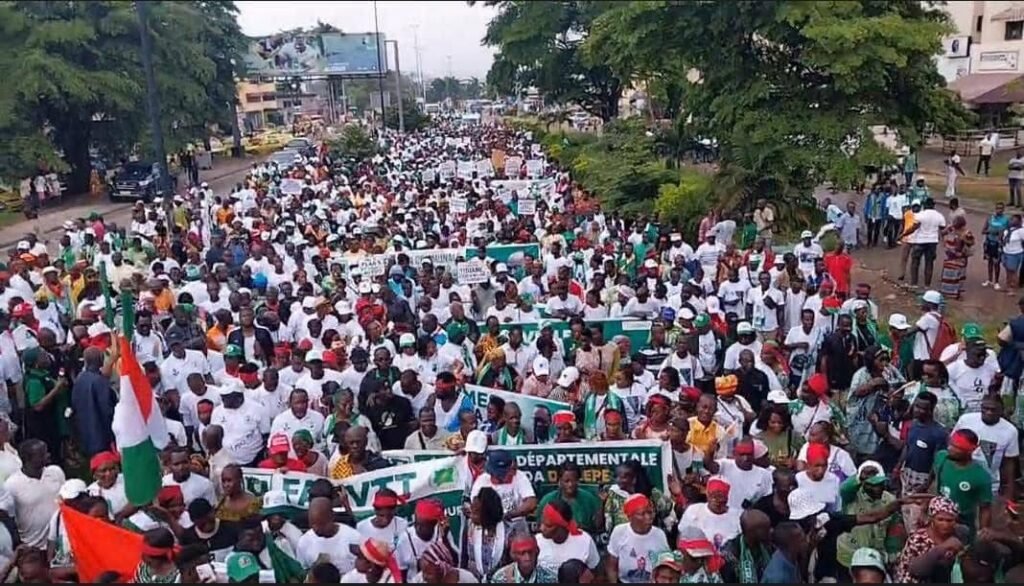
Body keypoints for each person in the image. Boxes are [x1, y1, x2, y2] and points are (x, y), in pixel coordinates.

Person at [893, 496, 963, 583]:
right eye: (940, 519)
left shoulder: (959, 534)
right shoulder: (918, 538)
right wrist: (942, 548)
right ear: (932, 519)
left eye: (949, 520)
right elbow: (916, 570)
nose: (945, 524)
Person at [606, 494, 669, 583]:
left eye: (650, 512)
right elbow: (612, 567)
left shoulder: (659, 535)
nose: (648, 517)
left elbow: (666, 568)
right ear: (630, 517)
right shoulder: (619, 532)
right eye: (642, 514)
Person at [490, 533, 556, 583]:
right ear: (513, 555)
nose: (527, 557)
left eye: (530, 552)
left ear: (537, 552)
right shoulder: (500, 578)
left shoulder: (550, 578)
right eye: (522, 553)